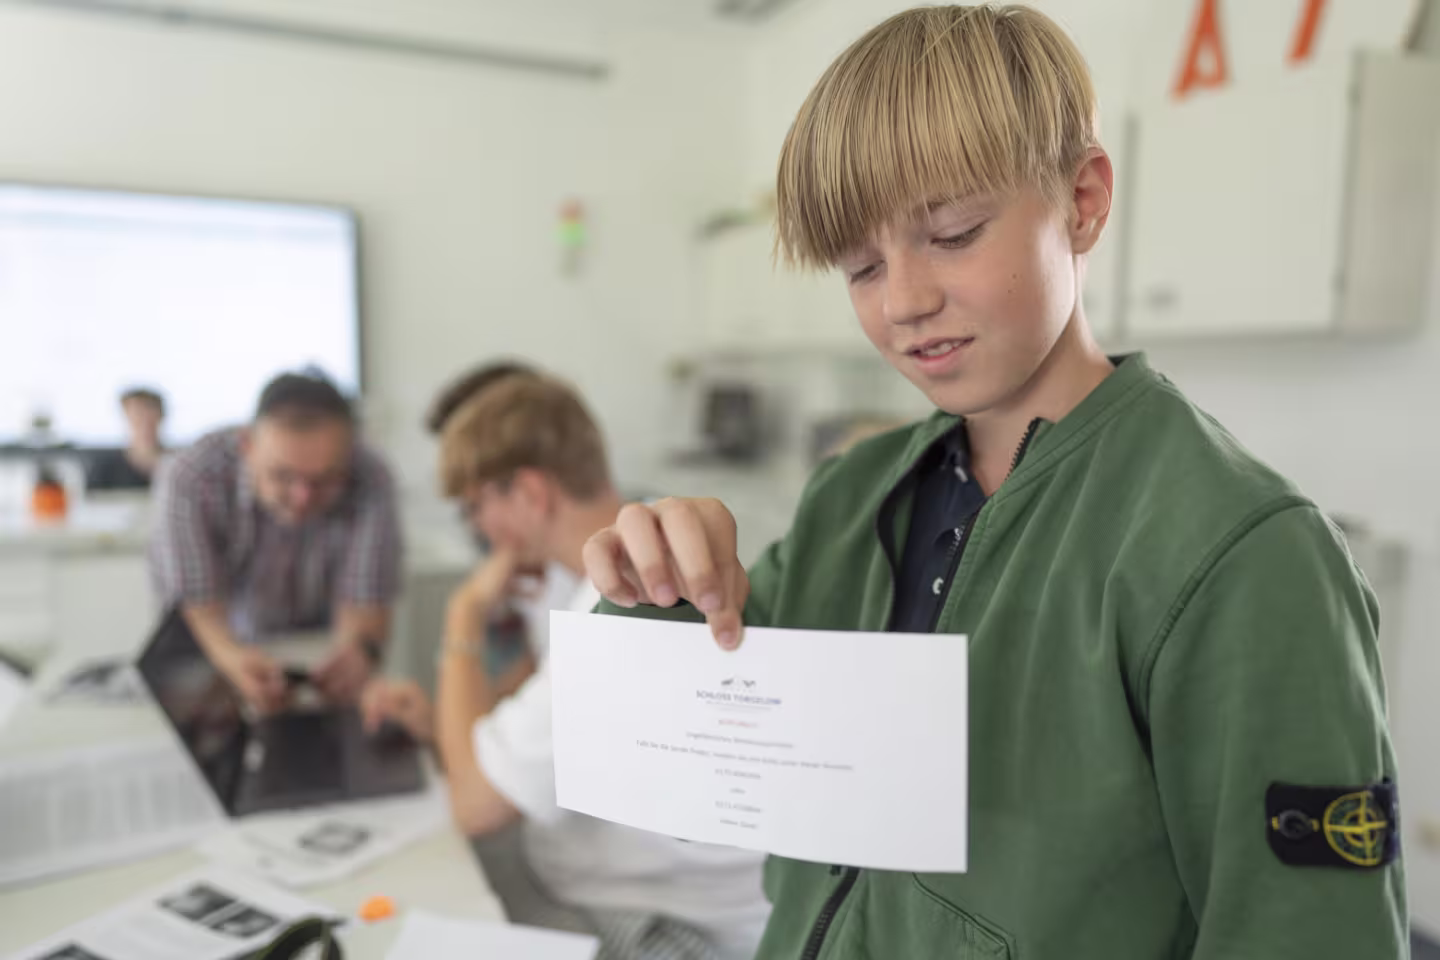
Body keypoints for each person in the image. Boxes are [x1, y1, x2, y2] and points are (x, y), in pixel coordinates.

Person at [583, 6, 1405, 959]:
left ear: (1085, 199)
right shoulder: (852, 502)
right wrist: (660, 592)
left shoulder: (1238, 552)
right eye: (860, 266)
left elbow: (1311, 936)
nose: (902, 302)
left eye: (955, 233)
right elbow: (692, 780)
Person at [363, 375, 770, 960]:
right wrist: (437, 725)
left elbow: (477, 805)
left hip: (668, 924)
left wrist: (464, 615)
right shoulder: (579, 578)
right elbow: (512, 731)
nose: (478, 529)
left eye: (477, 506)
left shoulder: (623, 607)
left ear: (530, 494)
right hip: (606, 885)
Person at [150, 371, 402, 713]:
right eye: (283, 476)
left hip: (320, 645)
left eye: (323, 480)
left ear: (349, 453)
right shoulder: (192, 476)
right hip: (226, 646)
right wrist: (233, 659)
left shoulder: (371, 476)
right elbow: (199, 604)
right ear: (247, 445)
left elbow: (365, 600)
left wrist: (357, 654)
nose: (302, 497)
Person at [87, 387, 166, 491]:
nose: (144, 420)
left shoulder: (181, 467)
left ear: (161, 416)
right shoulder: (105, 469)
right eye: (138, 414)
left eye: (149, 411)